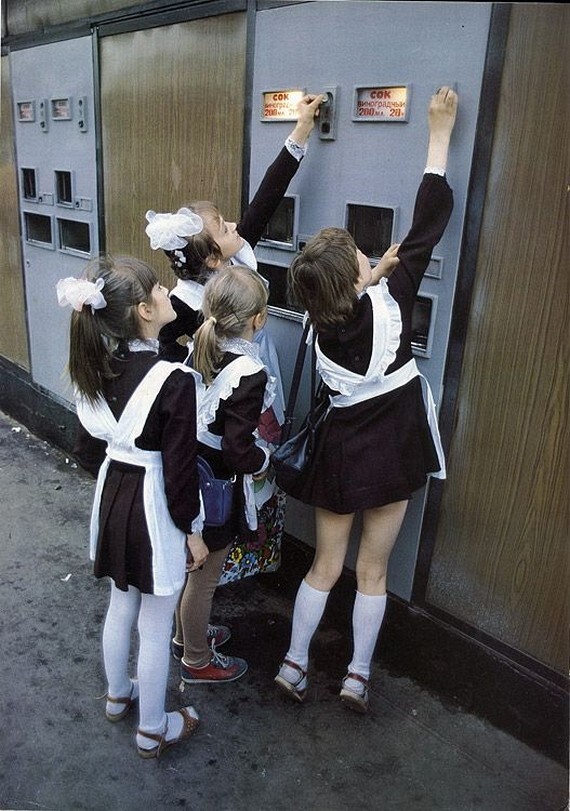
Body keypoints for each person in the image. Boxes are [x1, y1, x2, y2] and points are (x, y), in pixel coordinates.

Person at [274, 87, 459, 713]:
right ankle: (356, 676)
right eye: (361, 255)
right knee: (372, 572)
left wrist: (372, 275)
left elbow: (351, 296)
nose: (367, 255)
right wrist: (439, 134)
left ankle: (294, 664)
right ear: (359, 275)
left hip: (341, 453)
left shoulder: (320, 319)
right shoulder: (395, 299)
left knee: (324, 567)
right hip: (393, 450)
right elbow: (427, 224)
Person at [57, 256, 209, 758]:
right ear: (144, 310)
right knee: (156, 621)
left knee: (121, 603)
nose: (167, 292)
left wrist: (120, 476)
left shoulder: (96, 369)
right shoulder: (174, 379)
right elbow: (180, 473)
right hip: (155, 505)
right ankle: (153, 728)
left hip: (114, 496)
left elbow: (86, 449)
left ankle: (118, 695)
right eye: (158, 289)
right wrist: (192, 532)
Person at [144, 91, 324, 426]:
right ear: (213, 258)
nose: (233, 225)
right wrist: (197, 371)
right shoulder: (183, 303)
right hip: (225, 391)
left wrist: (302, 128)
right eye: (225, 229)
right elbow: (162, 348)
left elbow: (267, 196)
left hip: (258, 361)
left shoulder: (235, 254)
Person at [173, 265, 276, 684]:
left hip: (188, 471)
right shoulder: (249, 372)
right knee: (205, 578)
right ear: (259, 319)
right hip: (215, 486)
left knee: (192, 573)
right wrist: (262, 459)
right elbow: (237, 448)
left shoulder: (200, 347)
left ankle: (185, 636)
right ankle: (197, 659)